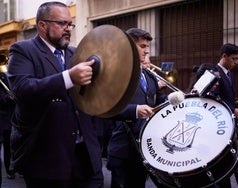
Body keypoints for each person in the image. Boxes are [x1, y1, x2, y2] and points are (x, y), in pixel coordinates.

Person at [7, 2, 103, 188]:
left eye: (70, 24)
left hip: (85, 157)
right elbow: (22, 89)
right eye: (62, 24)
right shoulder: (23, 50)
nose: (68, 29)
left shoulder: (75, 53)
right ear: (42, 25)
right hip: (47, 158)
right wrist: (68, 77)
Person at [106, 28, 167, 188]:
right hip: (123, 149)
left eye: (147, 46)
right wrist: (134, 110)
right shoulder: (115, 74)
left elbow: (161, 102)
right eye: (142, 46)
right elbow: (106, 109)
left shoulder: (149, 76)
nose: (147, 50)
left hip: (144, 150)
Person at [214, 43, 238, 188]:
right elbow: (214, 101)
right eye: (234, 59)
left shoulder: (228, 73)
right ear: (224, 56)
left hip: (231, 124)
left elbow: (228, 98)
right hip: (222, 127)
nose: (236, 63)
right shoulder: (215, 73)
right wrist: (233, 110)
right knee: (228, 164)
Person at [0, 71, 16, 184]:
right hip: (1, 118)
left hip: (8, 119)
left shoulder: (3, 76)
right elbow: (2, 99)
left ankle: (10, 169)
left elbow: (10, 89)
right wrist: (9, 98)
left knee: (9, 146)